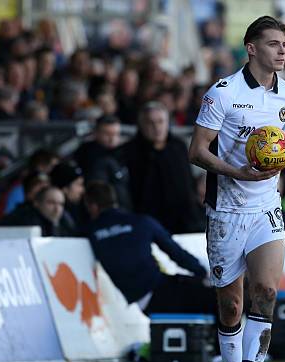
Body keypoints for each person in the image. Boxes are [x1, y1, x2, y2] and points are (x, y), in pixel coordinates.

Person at [189, 16, 285, 362]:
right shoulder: (223, 94)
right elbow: (197, 151)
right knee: (231, 306)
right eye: (273, 44)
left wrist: (274, 181)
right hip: (226, 210)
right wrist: (237, 171)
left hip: (265, 207)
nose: (282, 50)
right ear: (251, 48)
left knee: (267, 291)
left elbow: (279, 152)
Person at [84, 181, 214, 316]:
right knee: (216, 299)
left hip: (145, 297)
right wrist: (202, 272)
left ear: (92, 207)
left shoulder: (89, 233)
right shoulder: (139, 222)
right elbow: (175, 252)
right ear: (114, 199)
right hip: (159, 289)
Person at [127, 101, 203, 234]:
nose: (157, 127)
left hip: (183, 221)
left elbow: (187, 185)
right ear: (141, 125)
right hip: (147, 222)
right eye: (150, 123)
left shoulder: (178, 147)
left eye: (160, 121)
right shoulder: (130, 151)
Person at [74, 114, 132, 211]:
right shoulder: (85, 153)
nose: (112, 138)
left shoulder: (125, 153)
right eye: (107, 134)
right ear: (96, 133)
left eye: (116, 134)